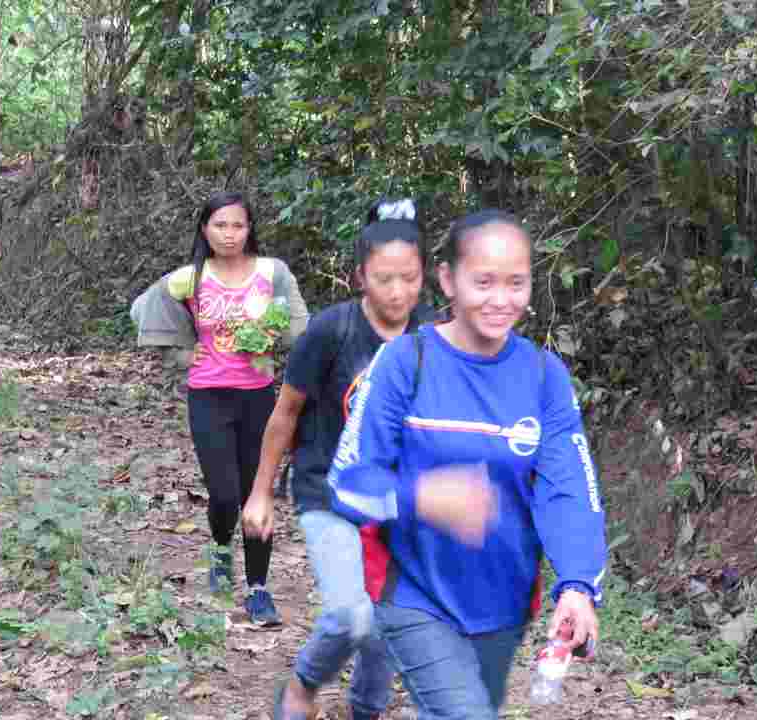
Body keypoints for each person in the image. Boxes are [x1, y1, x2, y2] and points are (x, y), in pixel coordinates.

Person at [327, 209, 607, 720]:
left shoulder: (544, 375)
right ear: (447, 280)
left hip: (504, 600)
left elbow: (568, 489)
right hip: (413, 589)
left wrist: (577, 585)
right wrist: (421, 497)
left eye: (516, 283)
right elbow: (348, 485)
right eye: (483, 282)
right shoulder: (404, 362)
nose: (501, 299)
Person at [241, 198, 438, 720]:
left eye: (409, 278)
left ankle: (365, 710)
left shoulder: (435, 336)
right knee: (353, 615)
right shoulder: (331, 331)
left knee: (390, 618)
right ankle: (301, 687)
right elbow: (285, 413)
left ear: (424, 277)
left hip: (396, 500)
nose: (397, 292)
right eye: (383, 279)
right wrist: (260, 493)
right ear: (359, 278)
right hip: (325, 489)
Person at [131, 191, 309, 625]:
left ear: (249, 230)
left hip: (259, 396)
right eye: (220, 225)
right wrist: (179, 353)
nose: (229, 234)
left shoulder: (272, 272)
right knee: (225, 494)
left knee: (255, 493)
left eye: (238, 226)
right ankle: (220, 549)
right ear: (205, 229)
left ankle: (258, 589)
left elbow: (299, 326)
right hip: (207, 395)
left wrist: (278, 337)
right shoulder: (189, 278)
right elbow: (143, 308)